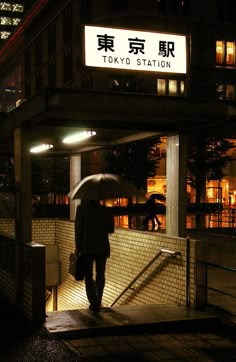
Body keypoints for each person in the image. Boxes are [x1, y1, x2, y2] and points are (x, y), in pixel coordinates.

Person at [75, 199, 114, 312]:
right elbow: (110, 229)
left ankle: (94, 302)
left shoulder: (81, 209)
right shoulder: (105, 210)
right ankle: (98, 299)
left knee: (89, 275)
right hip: (102, 247)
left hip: (87, 248)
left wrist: (78, 247)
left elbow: (78, 230)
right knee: (100, 274)